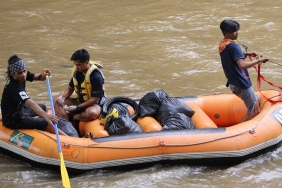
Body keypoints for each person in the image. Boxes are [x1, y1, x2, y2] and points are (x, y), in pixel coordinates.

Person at [1, 55, 67, 135]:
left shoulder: (22, 76)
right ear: (13, 74)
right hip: (13, 119)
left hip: (20, 109)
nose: (23, 75)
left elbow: (40, 77)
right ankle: (68, 139)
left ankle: (38, 122)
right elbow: (29, 102)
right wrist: (46, 116)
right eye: (20, 73)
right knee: (46, 122)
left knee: (44, 107)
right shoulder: (14, 87)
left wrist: (44, 74)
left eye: (24, 71)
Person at [219, 19, 269, 122]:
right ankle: (236, 133)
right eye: (234, 31)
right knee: (254, 111)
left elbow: (232, 57)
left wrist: (246, 54)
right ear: (226, 32)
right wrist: (260, 60)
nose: (237, 33)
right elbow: (242, 65)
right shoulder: (234, 46)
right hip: (242, 83)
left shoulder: (223, 44)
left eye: (237, 30)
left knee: (256, 102)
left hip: (234, 83)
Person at [54, 49, 107, 135]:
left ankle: (74, 117)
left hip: (95, 103)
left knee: (92, 113)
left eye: (79, 65)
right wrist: (62, 97)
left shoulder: (96, 76)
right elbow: (70, 88)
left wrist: (77, 108)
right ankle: (67, 129)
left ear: (86, 63)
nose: (77, 67)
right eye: (75, 65)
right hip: (80, 101)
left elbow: (94, 99)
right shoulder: (77, 72)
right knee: (57, 101)